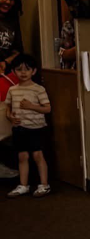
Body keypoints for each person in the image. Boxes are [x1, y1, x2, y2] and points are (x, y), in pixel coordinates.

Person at [5, 53, 52, 198]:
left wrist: (31, 106)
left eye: (27, 69)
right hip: (19, 128)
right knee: (22, 156)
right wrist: (10, 116)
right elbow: (8, 108)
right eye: (19, 69)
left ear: (34, 71)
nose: (23, 72)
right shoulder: (12, 90)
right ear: (13, 72)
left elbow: (47, 108)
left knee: (38, 155)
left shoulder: (38, 89)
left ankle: (44, 184)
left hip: (36, 128)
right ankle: (23, 185)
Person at [0, 0, 24, 74]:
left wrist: (5, 62)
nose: (8, 2)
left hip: (6, 71)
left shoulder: (12, 21)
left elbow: (18, 50)